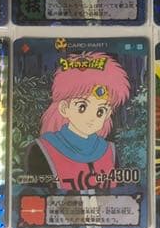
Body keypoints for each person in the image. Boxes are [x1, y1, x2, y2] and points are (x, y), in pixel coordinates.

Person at [26, 52, 130, 191]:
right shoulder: (42, 149)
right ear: (64, 108)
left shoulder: (110, 151)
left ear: (108, 114)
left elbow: (121, 194)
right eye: (82, 107)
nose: (92, 117)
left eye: (100, 111)